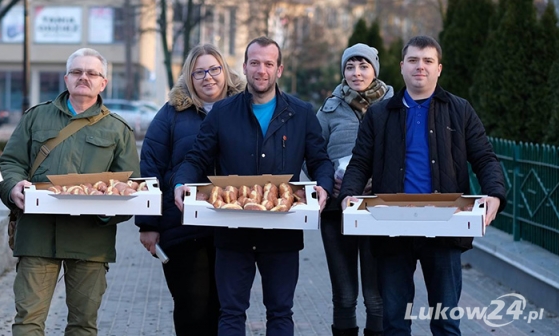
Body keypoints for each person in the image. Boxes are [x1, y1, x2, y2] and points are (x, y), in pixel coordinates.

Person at [339, 36, 505, 336]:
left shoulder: (460, 110)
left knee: (446, 322)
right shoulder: (379, 115)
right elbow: (360, 162)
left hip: (444, 228)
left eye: (428, 61)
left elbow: (484, 157)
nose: (420, 67)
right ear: (402, 67)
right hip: (391, 228)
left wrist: (494, 193)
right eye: (413, 60)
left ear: (438, 69)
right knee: (394, 322)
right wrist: (349, 194)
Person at [172, 36, 334, 335]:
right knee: (231, 314)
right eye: (255, 63)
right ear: (244, 67)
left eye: (268, 64)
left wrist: (323, 184)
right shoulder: (223, 112)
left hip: (283, 231)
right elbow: (197, 156)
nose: (261, 70)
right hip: (233, 232)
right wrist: (181, 182)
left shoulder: (301, 113)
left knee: (281, 313)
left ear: (279, 69)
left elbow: (320, 160)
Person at [0, 48, 140, 336]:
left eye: (92, 73)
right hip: (37, 235)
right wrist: (13, 188)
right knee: (27, 322)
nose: (83, 77)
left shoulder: (118, 129)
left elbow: (132, 185)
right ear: (66, 79)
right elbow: (10, 163)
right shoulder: (36, 118)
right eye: (77, 72)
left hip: (90, 241)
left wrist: (107, 209)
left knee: (83, 326)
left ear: (104, 83)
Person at [136, 44, 245, 336]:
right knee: (192, 308)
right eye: (199, 72)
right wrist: (147, 224)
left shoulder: (245, 109)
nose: (207, 77)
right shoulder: (171, 114)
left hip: (232, 226)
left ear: (225, 71)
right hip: (183, 228)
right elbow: (150, 167)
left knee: (227, 308)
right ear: (189, 77)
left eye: (214, 69)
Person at [316, 43, 394, 336]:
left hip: (380, 211)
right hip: (338, 211)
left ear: (375, 69)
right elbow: (314, 154)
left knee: (376, 298)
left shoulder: (393, 107)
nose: (356, 73)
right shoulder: (329, 109)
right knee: (345, 296)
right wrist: (325, 181)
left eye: (363, 66)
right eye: (350, 66)